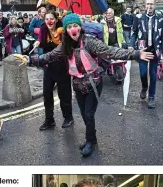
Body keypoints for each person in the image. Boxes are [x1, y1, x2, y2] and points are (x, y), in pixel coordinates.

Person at [13, 13, 154, 157]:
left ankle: (90, 142)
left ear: (80, 27)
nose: (73, 29)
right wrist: (29, 59)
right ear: (66, 30)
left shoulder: (89, 42)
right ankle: (92, 138)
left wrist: (136, 54)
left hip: (93, 83)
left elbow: (111, 51)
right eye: (69, 27)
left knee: (89, 114)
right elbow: (49, 56)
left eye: (75, 26)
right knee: (83, 114)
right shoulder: (65, 46)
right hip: (77, 84)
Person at [34, 10, 74, 131]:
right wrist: (37, 43)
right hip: (49, 67)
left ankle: (68, 117)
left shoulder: (63, 30)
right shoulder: (43, 29)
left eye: (51, 19)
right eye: (47, 19)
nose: (49, 21)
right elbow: (40, 41)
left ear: (56, 20)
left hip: (62, 67)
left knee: (64, 94)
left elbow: (65, 47)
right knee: (47, 94)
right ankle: (49, 120)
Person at [131, 0, 163, 109]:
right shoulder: (139, 17)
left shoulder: (160, 18)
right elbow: (134, 32)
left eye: (152, 4)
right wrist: (131, 45)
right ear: (145, 5)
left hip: (155, 50)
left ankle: (151, 97)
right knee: (143, 73)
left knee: (153, 75)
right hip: (142, 50)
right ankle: (144, 87)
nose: (150, 6)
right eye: (148, 4)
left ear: (154, 5)